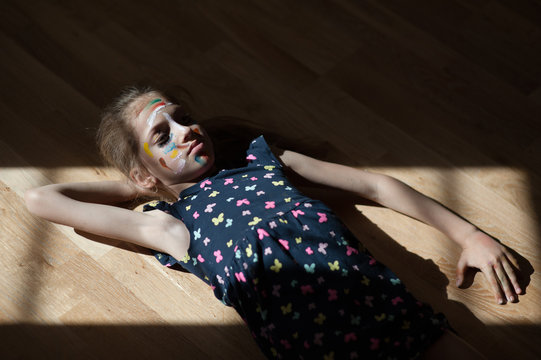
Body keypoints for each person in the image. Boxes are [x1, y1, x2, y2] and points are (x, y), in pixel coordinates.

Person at [25, 86, 521, 359]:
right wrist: (144, 184)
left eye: (183, 116)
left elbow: (374, 187)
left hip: (395, 321)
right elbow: (43, 197)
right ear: (142, 169)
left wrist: (468, 234)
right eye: (163, 132)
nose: (186, 129)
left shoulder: (266, 163)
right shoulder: (172, 227)